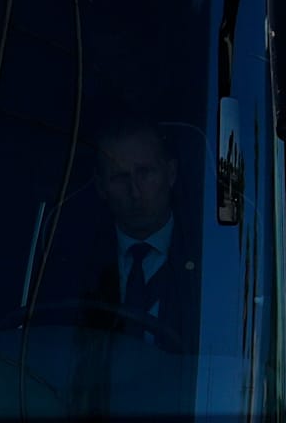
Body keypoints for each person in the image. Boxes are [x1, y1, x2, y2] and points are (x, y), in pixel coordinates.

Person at [85, 119, 201, 351]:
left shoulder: (208, 254)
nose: (135, 192)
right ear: (100, 186)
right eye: (120, 177)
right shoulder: (76, 259)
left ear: (171, 173)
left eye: (145, 173)